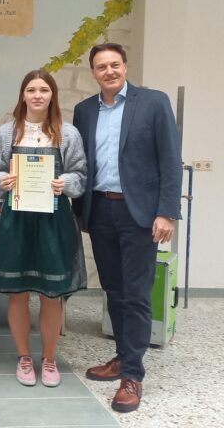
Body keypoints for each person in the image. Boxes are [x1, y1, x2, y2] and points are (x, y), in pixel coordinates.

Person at [73, 43, 182, 413]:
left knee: (136, 295)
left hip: (140, 215)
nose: (109, 71)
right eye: (101, 66)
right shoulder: (85, 110)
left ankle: (132, 376)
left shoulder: (153, 102)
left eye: (114, 64)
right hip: (100, 211)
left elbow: (170, 158)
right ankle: (122, 356)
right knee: (114, 291)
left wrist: (166, 212)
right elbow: (81, 164)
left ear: (125, 66)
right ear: (93, 72)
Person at [0, 69, 87, 387]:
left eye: (44, 89)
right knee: (17, 295)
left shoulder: (68, 133)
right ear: (23, 95)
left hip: (53, 221)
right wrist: (1, 182)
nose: (37, 95)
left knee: (51, 295)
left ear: (52, 95)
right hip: (16, 220)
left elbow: (80, 176)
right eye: (31, 89)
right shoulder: (7, 132)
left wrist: (65, 182)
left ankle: (48, 359)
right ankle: (23, 358)